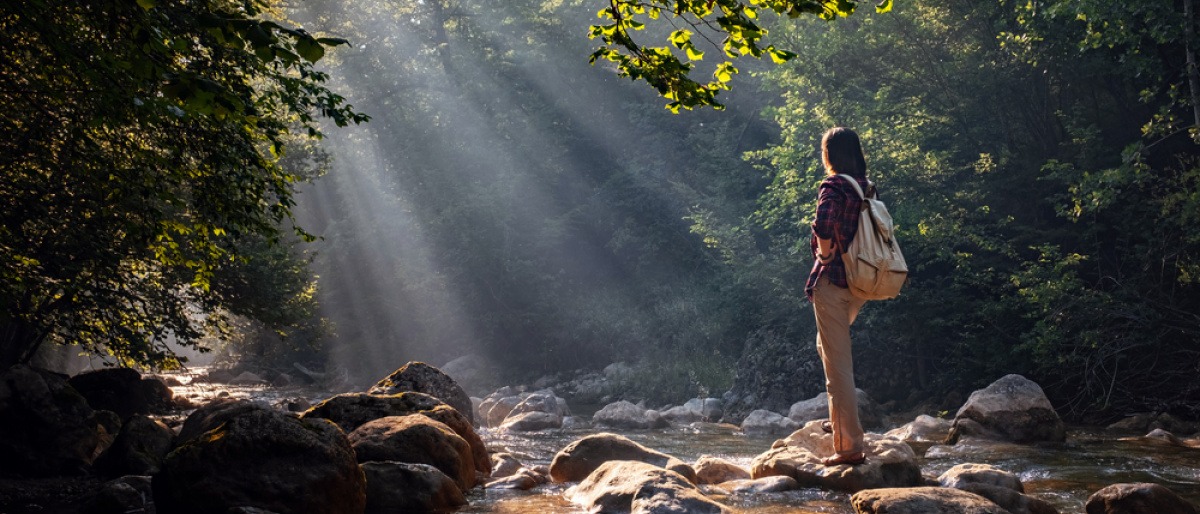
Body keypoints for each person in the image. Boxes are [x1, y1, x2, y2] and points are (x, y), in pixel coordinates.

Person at [805, 127, 872, 466]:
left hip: (832, 281)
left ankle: (848, 448)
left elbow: (823, 221)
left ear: (829, 154)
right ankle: (840, 422)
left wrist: (826, 254)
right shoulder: (865, 187)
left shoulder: (834, 186)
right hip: (858, 283)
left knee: (837, 368)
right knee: (826, 347)